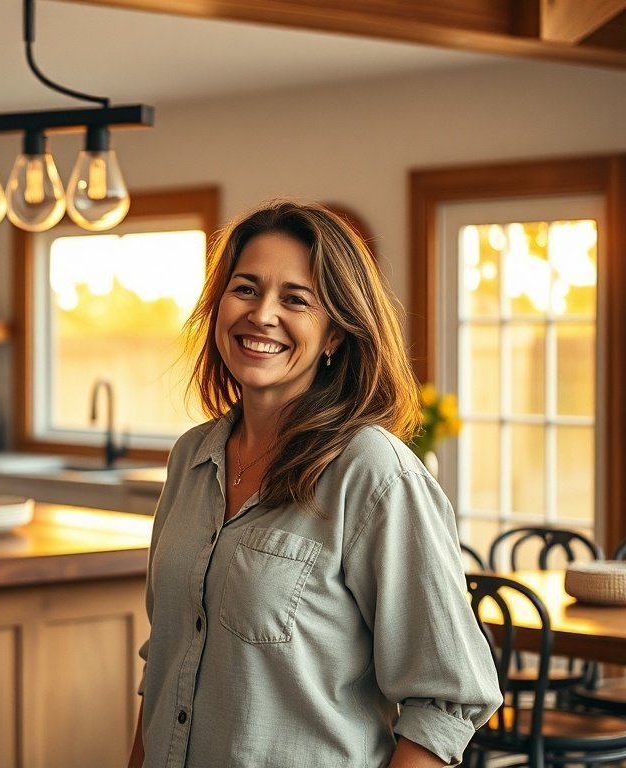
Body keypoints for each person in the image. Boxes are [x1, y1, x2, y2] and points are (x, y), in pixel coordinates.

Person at [127, 200, 501, 768]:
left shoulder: (373, 473)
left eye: (296, 299)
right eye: (245, 289)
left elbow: (444, 703)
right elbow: (165, 663)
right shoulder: (191, 458)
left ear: (334, 336)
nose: (262, 315)